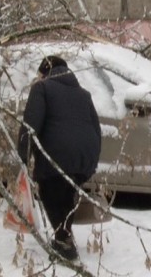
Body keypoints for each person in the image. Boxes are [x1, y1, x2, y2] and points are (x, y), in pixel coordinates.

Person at [17, 55, 101, 261]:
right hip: (84, 155)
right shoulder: (84, 94)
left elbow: (30, 125)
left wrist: (23, 158)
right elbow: (96, 129)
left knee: (50, 193)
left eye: (39, 74)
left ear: (45, 72)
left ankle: (64, 242)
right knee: (66, 195)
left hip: (56, 155)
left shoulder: (42, 88)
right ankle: (63, 238)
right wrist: (90, 162)